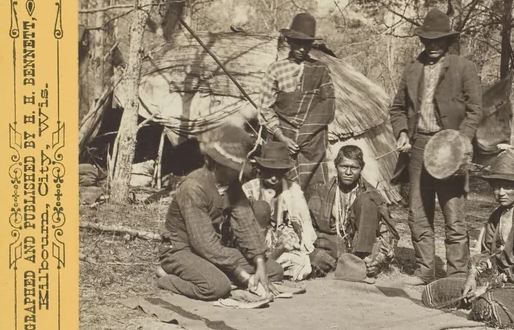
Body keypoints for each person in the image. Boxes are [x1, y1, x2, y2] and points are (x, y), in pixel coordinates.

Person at [390, 8, 483, 285]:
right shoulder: (412, 69)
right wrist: (403, 133)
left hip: (451, 148)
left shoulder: (463, 68)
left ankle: (455, 275)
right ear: (422, 41)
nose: (433, 46)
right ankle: (425, 270)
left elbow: (475, 110)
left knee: (453, 214)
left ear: (448, 41)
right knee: (418, 212)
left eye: (439, 40)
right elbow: (396, 108)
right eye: (428, 40)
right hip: (418, 146)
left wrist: (459, 140)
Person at [421, 151, 514, 328]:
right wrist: (472, 278)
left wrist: (488, 286)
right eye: (497, 187)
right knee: (434, 292)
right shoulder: (497, 215)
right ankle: (480, 297)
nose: (501, 193)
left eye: (507, 187)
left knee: (486, 307)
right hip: (499, 280)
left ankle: (492, 301)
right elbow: (485, 254)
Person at [156, 126, 283, 308]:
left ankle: (217, 273)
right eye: (231, 168)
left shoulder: (232, 185)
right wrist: (242, 274)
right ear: (214, 163)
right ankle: (166, 277)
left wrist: (260, 262)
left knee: (274, 271)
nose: (235, 173)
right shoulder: (193, 187)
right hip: (181, 251)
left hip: (211, 253)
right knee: (217, 287)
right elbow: (204, 244)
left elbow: (246, 224)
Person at [257, 12, 336, 191]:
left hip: (312, 142)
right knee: (279, 186)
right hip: (282, 138)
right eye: (298, 43)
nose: (302, 49)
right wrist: (281, 137)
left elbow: (328, 106)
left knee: (314, 191)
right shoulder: (276, 69)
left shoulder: (320, 69)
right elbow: (265, 108)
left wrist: (305, 134)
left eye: (306, 44)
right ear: (290, 41)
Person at [305, 145, 397, 282]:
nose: (348, 172)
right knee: (311, 263)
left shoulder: (372, 196)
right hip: (330, 245)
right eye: (344, 166)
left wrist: (379, 257)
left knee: (366, 201)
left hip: (363, 249)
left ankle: (359, 262)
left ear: (361, 169)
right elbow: (310, 227)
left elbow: (386, 231)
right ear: (336, 166)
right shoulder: (322, 193)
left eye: (354, 168)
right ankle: (347, 265)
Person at [242, 140, 318, 281]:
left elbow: (304, 222)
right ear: (260, 170)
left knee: (303, 264)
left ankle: (269, 265)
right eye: (269, 172)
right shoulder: (248, 189)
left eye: (278, 173)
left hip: (283, 239)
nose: (273, 178)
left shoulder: (293, 190)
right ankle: (264, 265)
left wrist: (299, 241)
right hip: (254, 242)